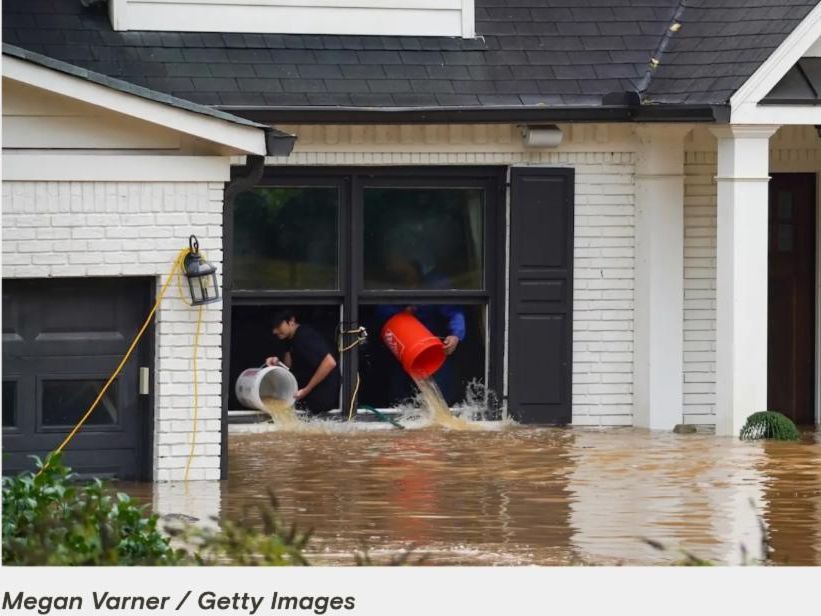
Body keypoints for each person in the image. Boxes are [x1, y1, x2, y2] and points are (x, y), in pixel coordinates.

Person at [265, 309, 340, 415]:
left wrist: (306, 390)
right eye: (273, 328)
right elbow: (289, 367)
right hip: (303, 394)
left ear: (291, 321)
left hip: (320, 396)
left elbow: (330, 362)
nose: (275, 331)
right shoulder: (289, 339)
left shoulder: (305, 336)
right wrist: (277, 362)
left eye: (278, 326)